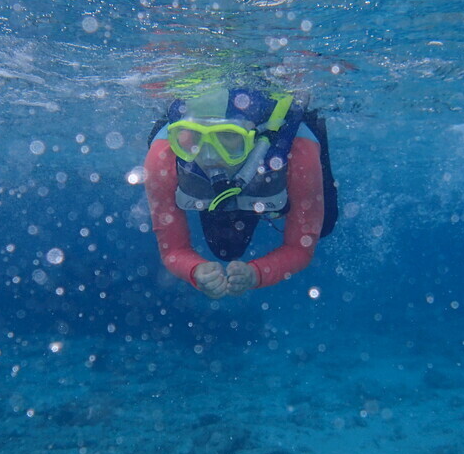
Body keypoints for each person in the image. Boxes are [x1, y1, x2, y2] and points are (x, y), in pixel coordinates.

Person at [144, 84, 337, 298]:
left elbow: (300, 248)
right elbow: (172, 250)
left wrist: (256, 274)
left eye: (227, 137)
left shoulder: (300, 153)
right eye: (195, 137)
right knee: (225, 248)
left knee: (324, 223)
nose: (209, 156)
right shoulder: (163, 156)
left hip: (273, 158)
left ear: (254, 136)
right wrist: (195, 270)